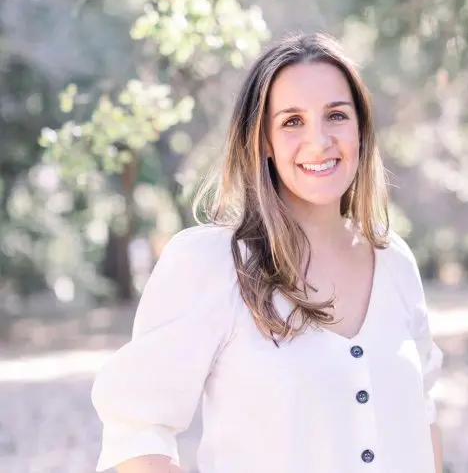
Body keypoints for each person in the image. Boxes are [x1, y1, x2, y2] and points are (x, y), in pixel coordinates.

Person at [91, 32, 444, 473]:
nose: (319, 141)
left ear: (361, 129)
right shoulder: (212, 263)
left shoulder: (395, 261)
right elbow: (137, 430)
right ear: (262, 141)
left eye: (336, 115)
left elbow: (423, 412)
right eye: (292, 121)